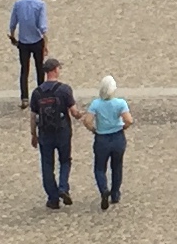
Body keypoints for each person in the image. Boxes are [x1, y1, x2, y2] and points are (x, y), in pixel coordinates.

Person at [30, 57, 77, 210]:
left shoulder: (37, 93)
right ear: (55, 70)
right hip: (62, 131)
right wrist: (82, 115)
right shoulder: (64, 90)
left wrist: (33, 134)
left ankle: (53, 198)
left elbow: (33, 116)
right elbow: (74, 111)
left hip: (45, 133)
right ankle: (63, 187)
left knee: (47, 165)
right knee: (65, 160)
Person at [88, 77, 133, 209]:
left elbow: (87, 120)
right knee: (117, 166)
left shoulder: (96, 104)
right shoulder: (120, 103)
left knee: (100, 168)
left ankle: (103, 189)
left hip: (102, 138)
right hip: (117, 136)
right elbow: (129, 120)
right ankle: (115, 194)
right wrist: (123, 127)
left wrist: (93, 130)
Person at [7, 0, 50, 103]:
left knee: (24, 69)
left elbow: (13, 22)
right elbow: (42, 26)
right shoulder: (40, 4)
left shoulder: (18, 4)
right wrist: (46, 43)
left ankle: (24, 97)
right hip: (36, 40)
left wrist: (12, 36)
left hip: (23, 41)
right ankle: (41, 96)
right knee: (39, 68)